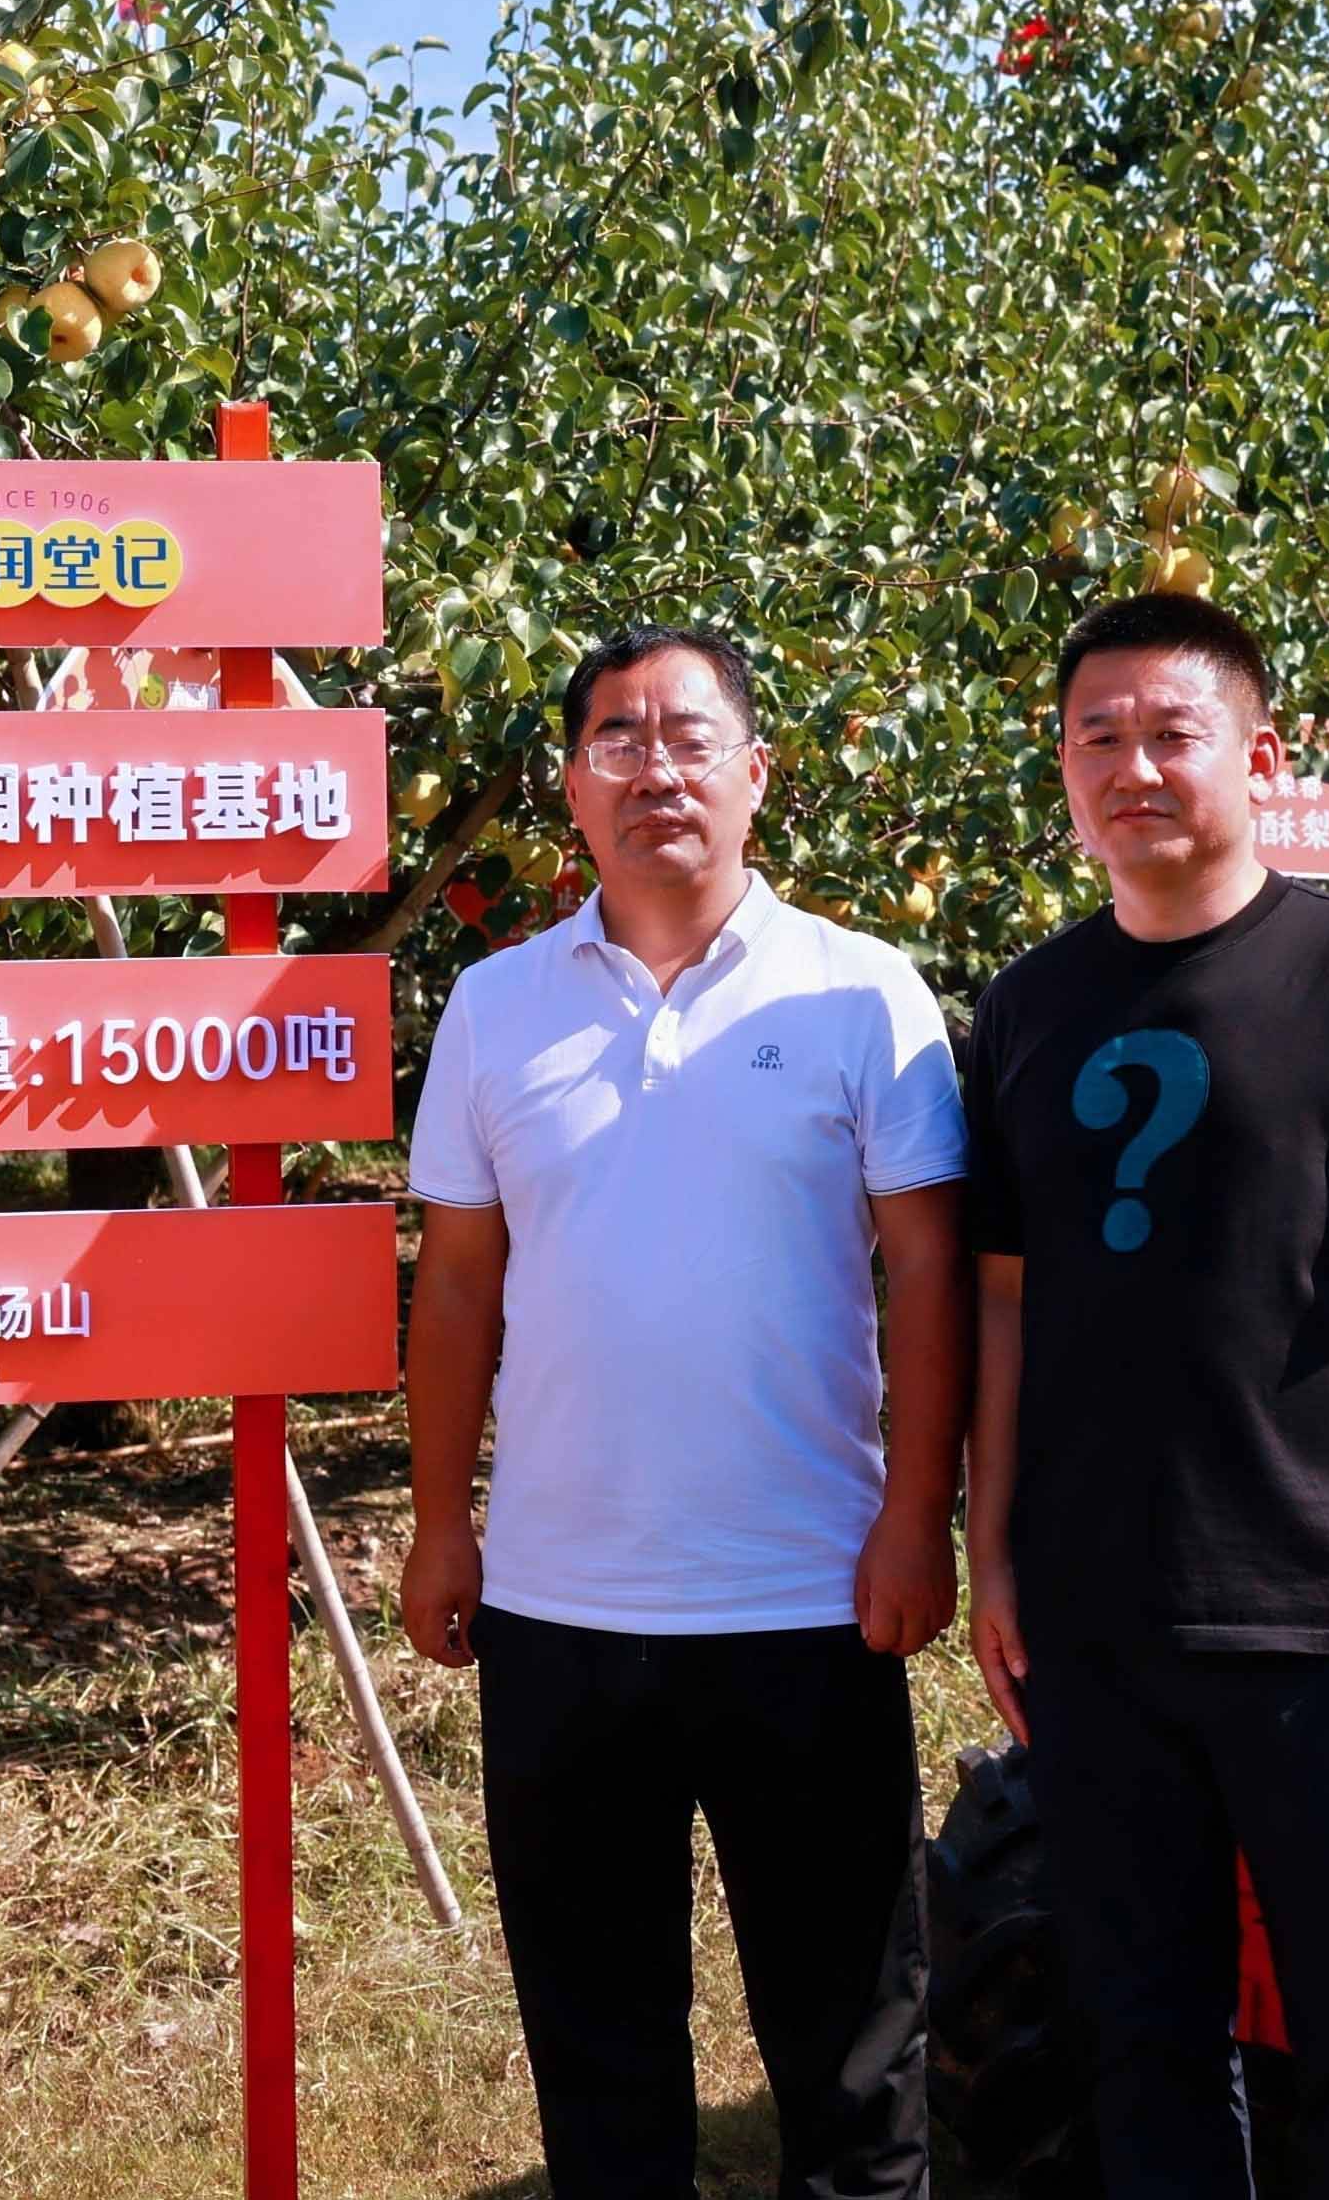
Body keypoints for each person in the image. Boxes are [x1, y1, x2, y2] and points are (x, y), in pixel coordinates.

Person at [401, 622, 969, 2200]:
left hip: (810, 1599)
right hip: (561, 1610)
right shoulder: (499, 1008)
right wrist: (443, 1523)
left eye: (689, 735)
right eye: (617, 738)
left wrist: (916, 1516)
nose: (654, 766)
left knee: (855, 2049)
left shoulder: (865, 995)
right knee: (601, 2057)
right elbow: (456, 1284)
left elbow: (927, 1272)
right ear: (572, 786)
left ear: (756, 775)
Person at [960, 593, 1329, 2198]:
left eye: (1171, 732)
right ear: (1064, 768)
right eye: (1098, 738)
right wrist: (993, 1558)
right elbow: (1003, 1299)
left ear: (1257, 758)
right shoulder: (1026, 1007)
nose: (1133, 765)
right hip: (1096, 1622)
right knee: (1145, 2046)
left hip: (1323, 1619)